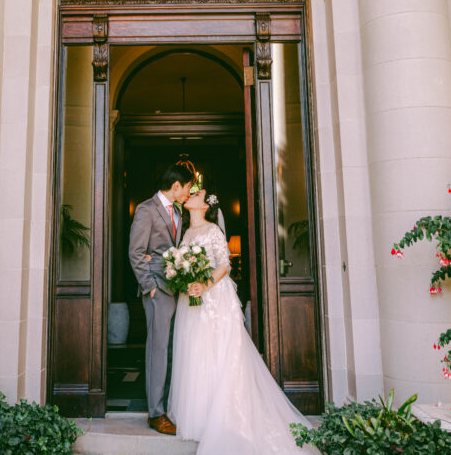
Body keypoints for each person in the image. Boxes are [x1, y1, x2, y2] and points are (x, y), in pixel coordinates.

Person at [169, 189, 319, 454]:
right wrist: (184, 280)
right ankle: (200, 415)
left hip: (215, 299)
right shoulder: (186, 233)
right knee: (196, 352)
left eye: (197, 194)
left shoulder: (213, 230)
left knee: (219, 353)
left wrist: (204, 285)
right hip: (191, 299)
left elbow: (224, 264)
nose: (191, 195)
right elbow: (182, 264)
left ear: (204, 206)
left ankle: (225, 417)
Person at [129, 163, 194, 435]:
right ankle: (155, 413)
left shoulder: (178, 211)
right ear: (176, 185)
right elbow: (136, 252)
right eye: (188, 187)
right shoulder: (146, 209)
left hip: (176, 288)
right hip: (157, 289)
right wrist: (150, 287)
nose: (189, 193)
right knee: (157, 350)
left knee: (171, 349)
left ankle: (169, 405)